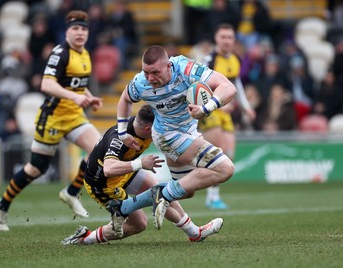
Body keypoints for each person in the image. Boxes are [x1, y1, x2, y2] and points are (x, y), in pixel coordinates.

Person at [0, 10, 103, 232]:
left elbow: (76, 83)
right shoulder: (60, 53)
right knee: (36, 168)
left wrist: (88, 97)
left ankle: (71, 192)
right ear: (67, 31)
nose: (80, 33)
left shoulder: (85, 54)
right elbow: (47, 84)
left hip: (74, 117)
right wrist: (75, 97)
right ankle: (1, 204)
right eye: (75, 29)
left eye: (83, 29)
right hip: (52, 118)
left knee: (99, 150)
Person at [109, 45, 236, 232]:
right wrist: (122, 132)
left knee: (186, 191)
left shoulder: (186, 69)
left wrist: (206, 108)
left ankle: (123, 208)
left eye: (155, 72)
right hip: (168, 136)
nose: (150, 78)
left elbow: (228, 87)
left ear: (169, 66)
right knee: (225, 169)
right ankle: (163, 195)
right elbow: (125, 99)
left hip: (189, 131)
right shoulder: (140, 83)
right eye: (146, 72)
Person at [61, 105, 223, 245]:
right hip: (102, 184)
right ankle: (85, 238)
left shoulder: (143, 127)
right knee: (139, 225)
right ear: (148, 129)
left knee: (160, 192)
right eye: (158, 126)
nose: (161, 129)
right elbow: (108, 169)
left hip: (124, 173)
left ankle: (195, 233)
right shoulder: (119, 139)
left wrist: (192, 138)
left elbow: (172, 132)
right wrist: (140, 164)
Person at [199, 23, 256, 209]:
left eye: (230, 37)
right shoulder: (209, 59)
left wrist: (246, 105)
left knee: (229, 154)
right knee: (218, 151)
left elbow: (236, 83)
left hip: (227, 112)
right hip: (210, 111)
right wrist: (215, 104)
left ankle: (210, 190)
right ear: (216, 39)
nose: (226, 40)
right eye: (223, 37)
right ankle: (212, 196)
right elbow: (199, 85)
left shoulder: (235, 59)